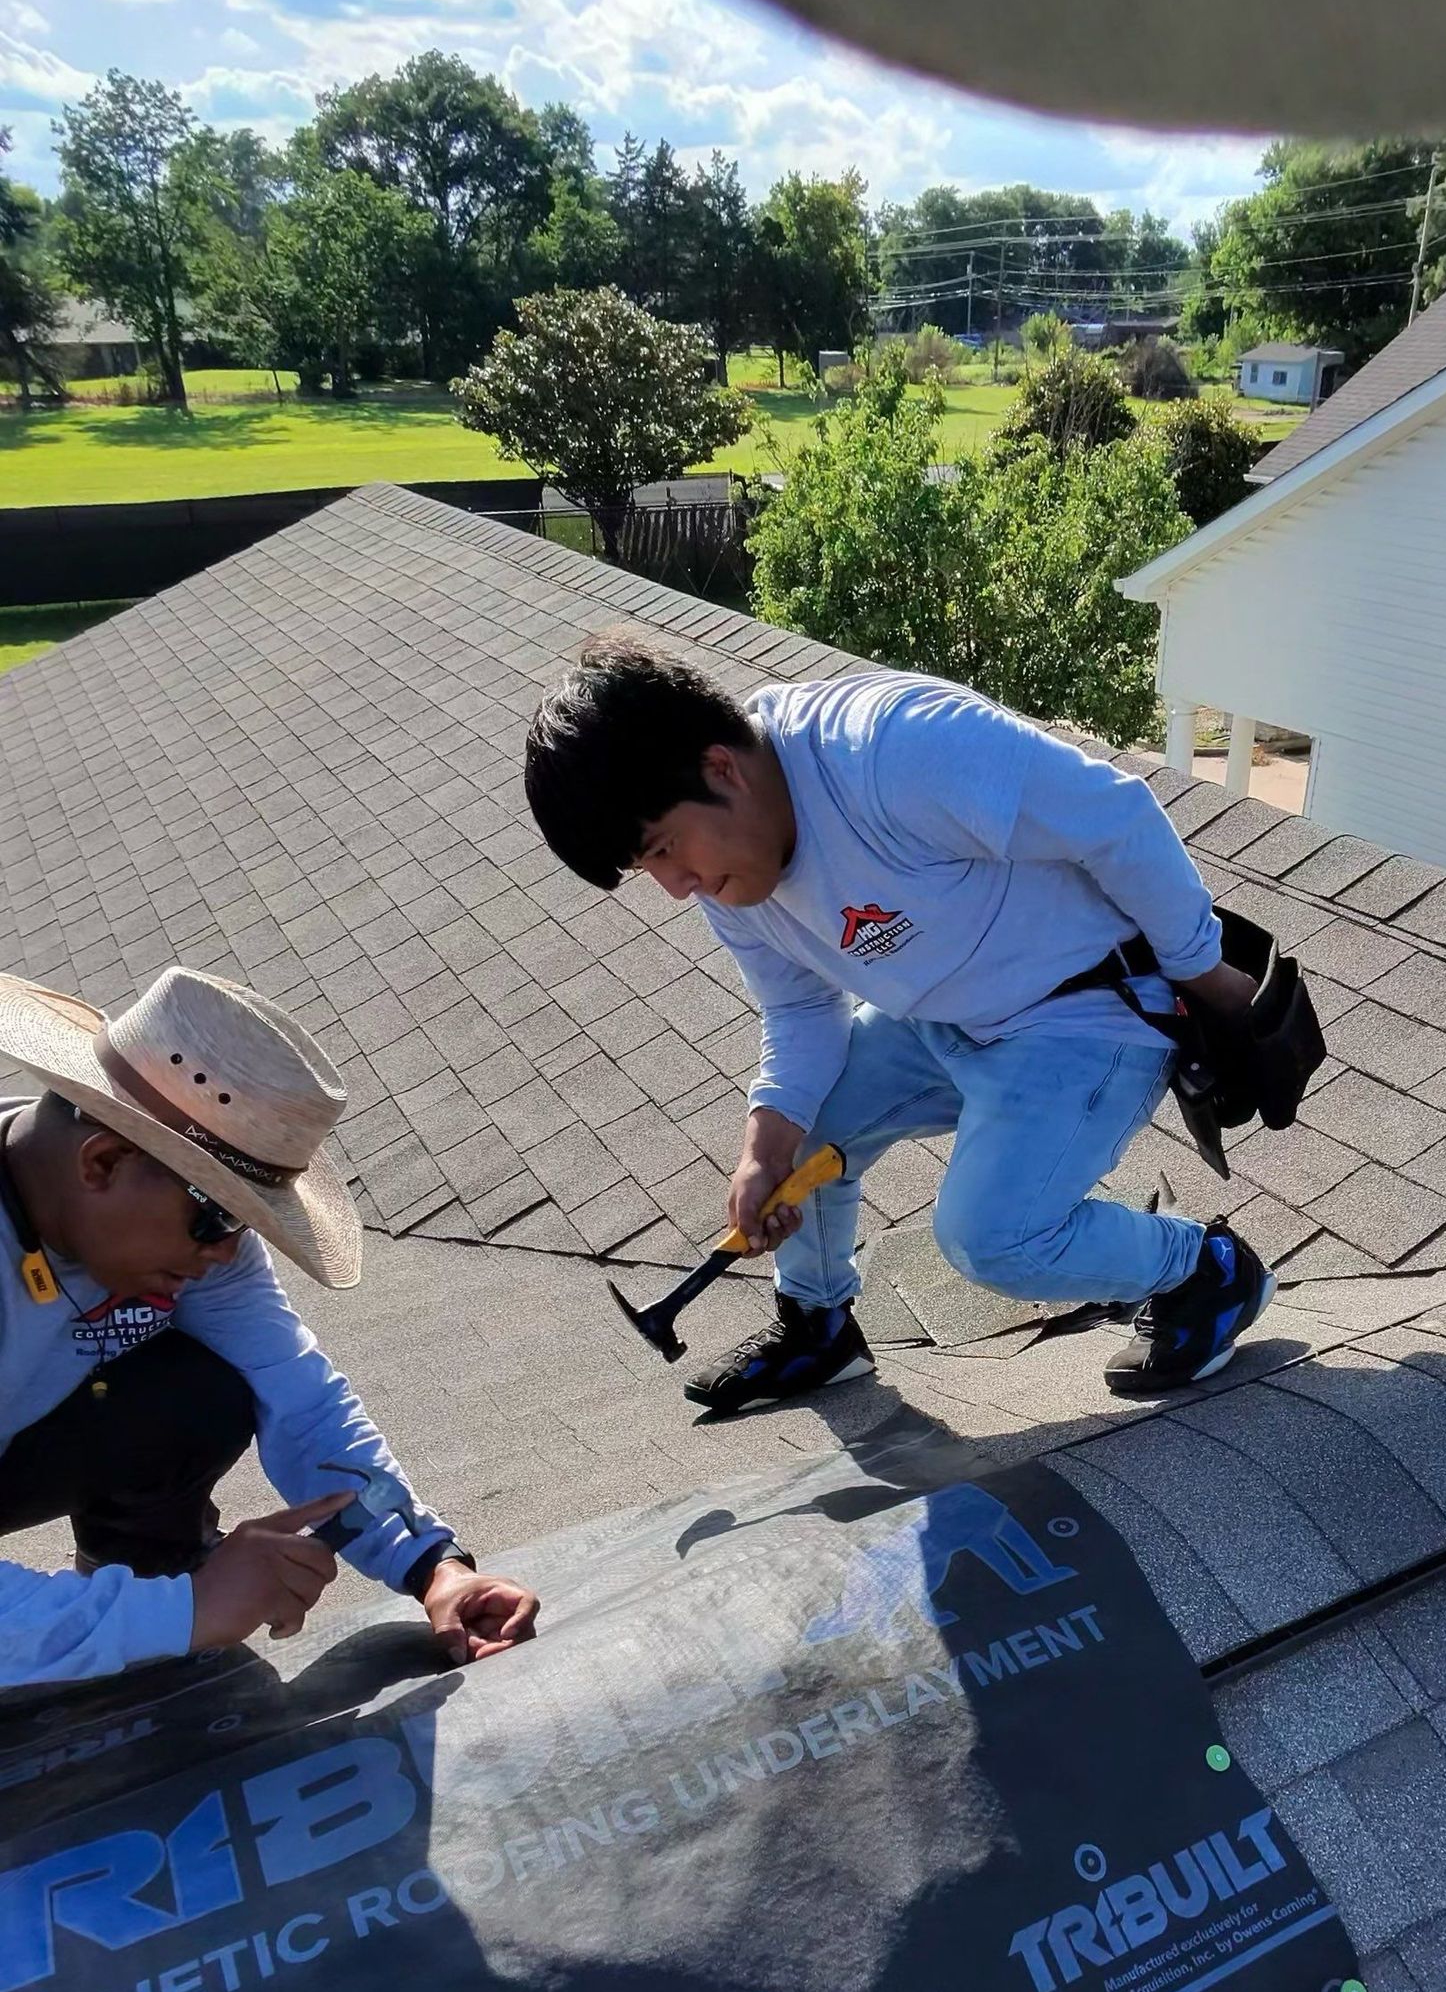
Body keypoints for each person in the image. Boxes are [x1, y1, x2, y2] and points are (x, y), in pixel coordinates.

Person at [525, 635, 1272, 1417]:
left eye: (664, 849)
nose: (678, 889)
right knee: (800, 1134)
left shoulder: (892, 751)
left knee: (993, 1240)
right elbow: (802, 1008)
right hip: (945, 1020)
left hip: (1087, 1010)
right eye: (652, 871)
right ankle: (818, 1328)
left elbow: (1116, 818)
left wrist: (1204, 974)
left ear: (721, 768)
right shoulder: (730, 878)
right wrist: (765, 1142)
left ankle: (1204, 1267)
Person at [0, 964, 539, 1693]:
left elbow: (299, 1398)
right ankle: (146, 1614)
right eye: (219, 1215)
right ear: (102, 1161)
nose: (228, 1251)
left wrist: (431, 1565)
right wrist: (186, 1611)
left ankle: (133, 1591)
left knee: (202, 1391)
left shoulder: (189, 1243)